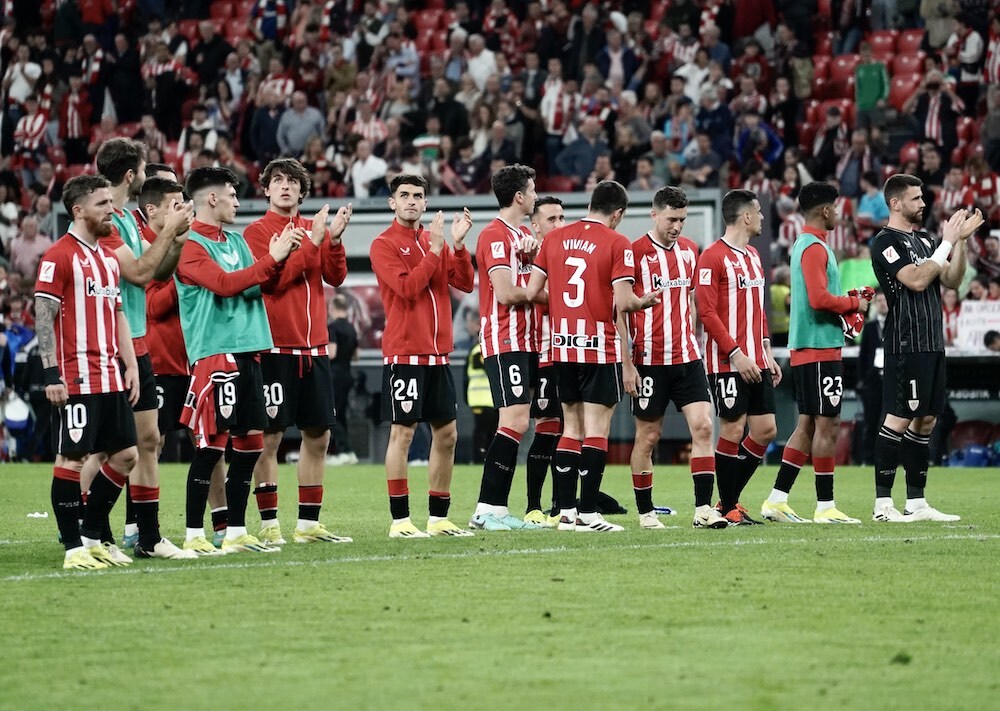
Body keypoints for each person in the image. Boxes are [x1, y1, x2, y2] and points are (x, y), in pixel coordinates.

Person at [176, 166, 300, 553]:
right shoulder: (190, 245)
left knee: (250, 447)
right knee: (211, 448)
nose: (237, 201)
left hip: (250, 351)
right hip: (216, 355)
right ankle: (194, 535)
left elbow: (260, 285)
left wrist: (280, 259)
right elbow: (227, 286)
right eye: (231, 194)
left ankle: (234, 532)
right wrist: (270, 260)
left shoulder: (235, 241)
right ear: (212, 198)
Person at [525, 180, 661, 533]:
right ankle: (588, 513)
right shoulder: (618, 243)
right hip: (598, 347)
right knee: (596, 429)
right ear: (617, 213)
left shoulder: (553, 239)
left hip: (561, 346)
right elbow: (625, 301)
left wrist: (564, 306)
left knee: (570, 427)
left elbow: (531, 291)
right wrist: (645, 301)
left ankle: (566, 513)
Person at [83, 137, 193, 559]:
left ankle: (147, 537)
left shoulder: (127, 216)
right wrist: (168, 231)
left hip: (138, 343)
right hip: (111, 346)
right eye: (145, 170)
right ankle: (87, 532)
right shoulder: (105, 219)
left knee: (149, 441)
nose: (147, 177)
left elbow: (159, 268)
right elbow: (138, 273)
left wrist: (177, 237)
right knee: (107, 450)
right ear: (132, 175)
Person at [242, 158, 353, 546]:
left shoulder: (313, 228)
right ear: (266, 189)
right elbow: (273, 281)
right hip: (273, 347)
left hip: (315, 349)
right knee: (269, 437)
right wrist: (314, 243)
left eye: (292, 181)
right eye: (277, 181)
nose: (285, 187)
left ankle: (307, 525)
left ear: (302, 191)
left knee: (318, 435)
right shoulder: (257, 232)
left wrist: (334, 240)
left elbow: (335, 276)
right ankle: (269, 523)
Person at [35, 175, 144, 569]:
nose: (111, 210)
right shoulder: (58, 256)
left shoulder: (107, 258)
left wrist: (130, 364)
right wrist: (51, 375)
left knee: (126, 455)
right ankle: (73, 550)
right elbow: (43, 317)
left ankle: (92, 535)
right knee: (73, 460)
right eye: (102, 204)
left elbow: (117, 313)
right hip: (75, 376)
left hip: (110, 375)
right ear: (79, 210)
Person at [869, 176, 983, 522]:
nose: (923, 204)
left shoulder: (925, 239)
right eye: (916, 199)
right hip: (907, 342)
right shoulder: (885, 242)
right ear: (896, 203)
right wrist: (946, 243)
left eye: (922, 198)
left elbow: (951, 280)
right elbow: (916, 281)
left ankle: (916, 502)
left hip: (933, 342)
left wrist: (960, 242)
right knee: (900, 418)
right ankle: (882, 504)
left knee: (927, 420)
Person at [370, 174, 476, 538]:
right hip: (405, 354)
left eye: (418, 195)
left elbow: (464, 283)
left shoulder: (435, 242)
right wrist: (435, 251)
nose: (412, 201)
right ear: (392, 203)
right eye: (404, 195)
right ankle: (400, 521)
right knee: (403, 434)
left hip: (438, 356)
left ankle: (438, 517)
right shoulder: (383, 244)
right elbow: (407, 289)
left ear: (426, 203)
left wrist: (458, 246)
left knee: (447, 435)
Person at [761, 182, 872, 525]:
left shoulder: (810, 245)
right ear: (825, 211)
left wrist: (847, 297)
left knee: (808, 424)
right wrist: (855, 303)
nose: (838, 214)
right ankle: (825, 506)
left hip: (814, 346)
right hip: (819, 347)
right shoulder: (812, 247)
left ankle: (777, 500)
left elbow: (821, 295)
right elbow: (819, 299)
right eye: (836, 208)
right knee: (829, 423)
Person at [622, 187, 728, 530]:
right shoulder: (634, 252)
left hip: (687, 357)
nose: (678, 226)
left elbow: (695, 302)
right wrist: (627, 362)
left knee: (703, 426)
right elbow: (620, 310)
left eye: (682, 220)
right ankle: (645, 512)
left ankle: (702, 509)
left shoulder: (690, 251)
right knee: (649, 437)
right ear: (654, 215)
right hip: (650, 360)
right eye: (671, 219)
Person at [695, 189, 782, 526]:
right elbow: (706, 312)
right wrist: (736, 353)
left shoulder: (753, 256)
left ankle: (726, 500)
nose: (761, 217)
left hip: (756, 359)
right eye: (758, 212)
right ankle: (729, 506)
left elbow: (758, 310)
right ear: (746, 216)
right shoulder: (712, 257)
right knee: (732, 427)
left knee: (765, 429)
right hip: (727, 361)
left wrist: (765, 352)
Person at [469, 164, 546, 532]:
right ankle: (487, 509)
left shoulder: (525, 234)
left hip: (529, 340)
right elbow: (506, 293)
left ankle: (498, 510)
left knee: (518, 424)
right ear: (519, 195)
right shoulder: (495, 235)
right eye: (532, 190)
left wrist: (533, 264)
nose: (535, 196)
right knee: (513, 421)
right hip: (506, 338)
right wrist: (536, 282)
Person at [524, 196, 566, 524]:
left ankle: (561, 505)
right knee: (547, 429)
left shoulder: (569, 257)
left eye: (562, 218)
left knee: (571, 431)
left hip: (572, 354)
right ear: (535, 225)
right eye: (551, 219)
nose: (559, 225)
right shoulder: (527, 257)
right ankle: (533, 506)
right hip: (542, 354)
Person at [327, 294, 360, 465]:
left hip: (334, 375)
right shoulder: (351, 328)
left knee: (332, 414)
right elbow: (356, 356)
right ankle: (346, 451)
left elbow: (331, 353)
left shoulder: (332, 327)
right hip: (348, 374)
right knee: (341, 414)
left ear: (332, 308)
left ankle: (344, 450)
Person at [857, 290, 888, 466]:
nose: (882, 303)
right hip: (873, 382)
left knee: (893, 422)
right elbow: (863, 355)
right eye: (879, 300)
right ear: (875, 304)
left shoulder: (896, 323)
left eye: (885, 300)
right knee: (871, 421)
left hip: (891, 379)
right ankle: (868, 459)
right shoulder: (869, 327)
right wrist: (862, 381)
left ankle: (891, 459)